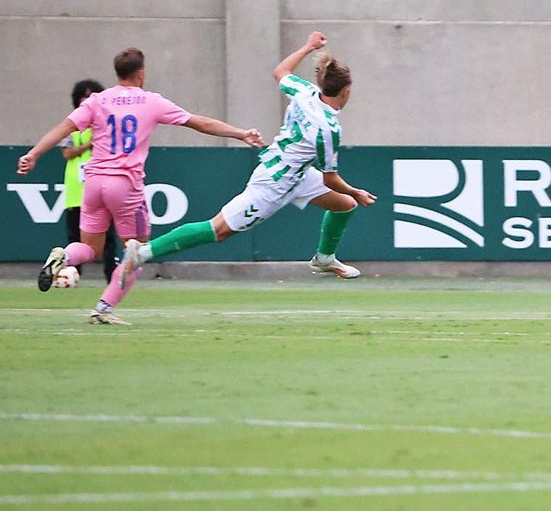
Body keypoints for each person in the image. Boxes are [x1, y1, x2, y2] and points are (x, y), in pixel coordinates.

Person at [115, 32, 377, 312]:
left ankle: (324, 259)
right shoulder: (329, 129)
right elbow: (330, 178)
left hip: (297, 173)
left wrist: (308, 47)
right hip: (274, 184)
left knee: (344, 206)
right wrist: (356, 191)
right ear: (346, 91)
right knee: (219, 229)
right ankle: (142, 252)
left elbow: (281, 71)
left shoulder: (305, 91)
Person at [17, 49, 264, 324]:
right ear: (141, 73)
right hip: (125, 186)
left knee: (89, 248)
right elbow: (199, 123)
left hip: (94, 182)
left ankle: (63, 256)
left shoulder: (98, 100)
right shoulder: (151, 101)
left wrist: (33, 154)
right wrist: (240, 133)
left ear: (117, 72)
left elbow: (63, 128)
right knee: (138, 252)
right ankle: (103, 308)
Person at [61, 79, 117, 284]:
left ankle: (111, 275)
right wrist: (88, 145)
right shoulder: (73, 126)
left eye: (91, 95)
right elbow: (67, 153)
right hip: (77, 191)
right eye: (83, 96)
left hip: (101, 189)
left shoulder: (106, 125)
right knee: (75, 236)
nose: (87, 100)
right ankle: (72, 275)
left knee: (108, 237)